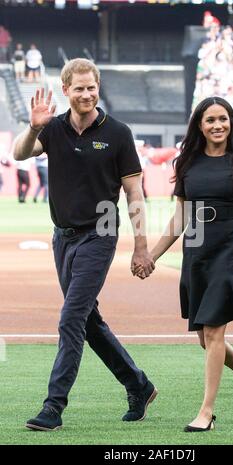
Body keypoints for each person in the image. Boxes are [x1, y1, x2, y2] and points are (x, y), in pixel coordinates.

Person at [13, 58, 157, 431]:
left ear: (98, 87)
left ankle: (53, 407)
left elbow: (134, 194)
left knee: (71, 319)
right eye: (78, 88)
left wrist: (141, 247)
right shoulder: (53, 128)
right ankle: (138, 385)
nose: (86, 94)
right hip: (62, 238)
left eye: (91, 87)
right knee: (88, 321)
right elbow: (19, 153)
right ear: (66, 91)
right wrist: (33, 129)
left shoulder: (118, 133)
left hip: (101, 233)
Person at [134, 97, 233, 431]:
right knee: (205, 338)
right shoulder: (187, 162)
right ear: (199, 126)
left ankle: (206, 413)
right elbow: (180, 218)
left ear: (231, 122)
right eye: (210, 120)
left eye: (223, 119)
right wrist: (152, 257)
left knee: (215, 330)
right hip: (198, 252)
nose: (217, 125)